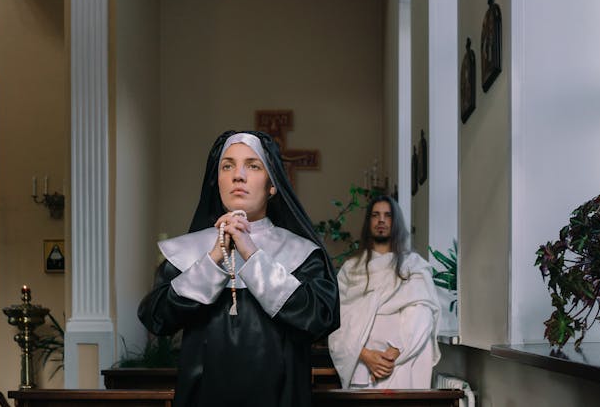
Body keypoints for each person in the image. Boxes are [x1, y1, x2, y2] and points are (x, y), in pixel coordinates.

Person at [138, 131, 339, 407]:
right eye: (227, 166)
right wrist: (215, 257)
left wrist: (251, 253)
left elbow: (320, 319)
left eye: (253, 166)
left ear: (272, 185)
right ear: (217, 181)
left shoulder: (302, 254)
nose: (238, 175)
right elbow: (156, 318)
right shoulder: (187, 252)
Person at [328, 196, 440, 389]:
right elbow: (337, 322)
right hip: (362, 365)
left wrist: (394, 352)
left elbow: (423, 314)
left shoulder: (413, 266)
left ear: (395, 222)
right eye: (375, 215)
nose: (381, 220)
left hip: (404, 362)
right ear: (368, 222)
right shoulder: (351, 268)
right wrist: (365, 355)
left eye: (387, 215)